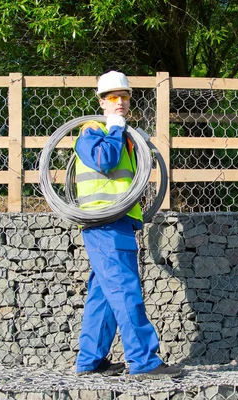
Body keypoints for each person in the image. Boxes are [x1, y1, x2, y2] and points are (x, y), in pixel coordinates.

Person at [73, 70, 182, 380]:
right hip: (104, 223)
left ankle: (90, 360)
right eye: (112, 97)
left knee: (104, 295)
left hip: (118, 224)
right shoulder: (91, 131)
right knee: (124, 291)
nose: (119, 102)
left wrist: (127, 136)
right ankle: (144, 360)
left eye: (124, 97)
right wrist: (117, 130)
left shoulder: (123, 136)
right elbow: (104, 161)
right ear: (101, 101)